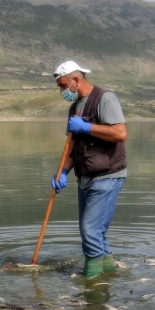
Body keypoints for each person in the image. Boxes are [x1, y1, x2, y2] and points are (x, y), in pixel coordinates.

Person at [49, 60, 128, 279]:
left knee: (90, 230)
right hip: (86, 175)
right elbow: (71, 147)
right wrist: (61, 172)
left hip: (107, 175)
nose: (62, 91)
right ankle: (108, 273)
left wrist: (87, 127)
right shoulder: (74, 108)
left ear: (75, 80)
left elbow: (120, 133)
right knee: (96, 232)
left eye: (63, 86)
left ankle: (92, 282)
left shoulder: (105, 98)